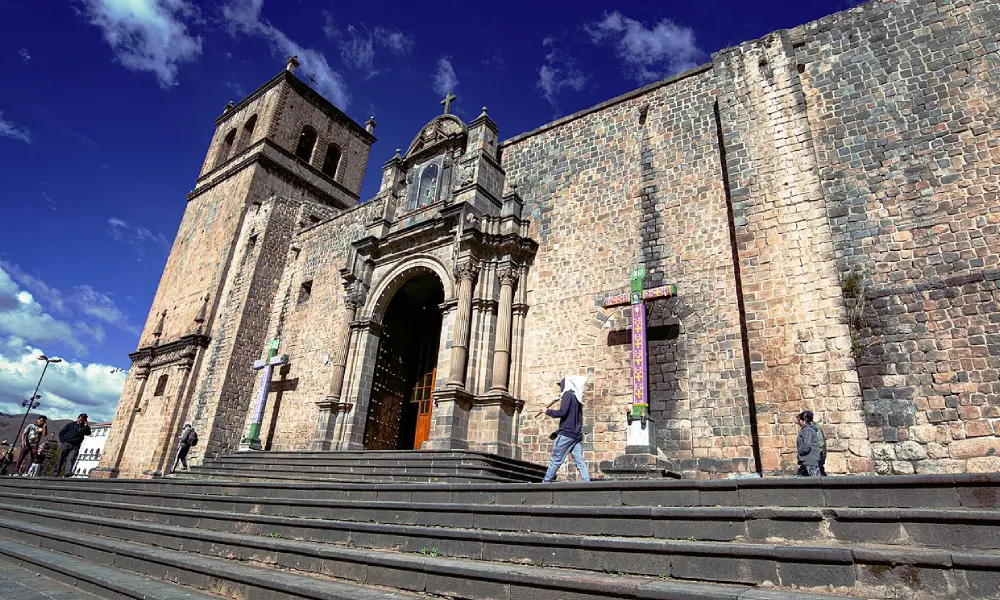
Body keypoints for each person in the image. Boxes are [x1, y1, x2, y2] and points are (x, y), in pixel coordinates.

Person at [541, 375, 590, 483]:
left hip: (567, 435)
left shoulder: (567, 395)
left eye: (561, 385)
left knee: (556, 460)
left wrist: (547, 411)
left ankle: (545, 484)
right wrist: (557, 432)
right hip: (575, 436)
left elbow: (562, 413)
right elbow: (573, 420)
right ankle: (587, 483)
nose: (561, 388)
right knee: (580, 462)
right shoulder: (577, 398)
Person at [796, 410, 822, 477]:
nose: (798, 423)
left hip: (810, 461)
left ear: (804, 421)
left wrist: (800, 452)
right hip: (805, 462)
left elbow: (807, 446)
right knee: (798, 484)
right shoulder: (806, 430)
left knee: (817, 482)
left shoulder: (807, 430)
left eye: (799, 420)